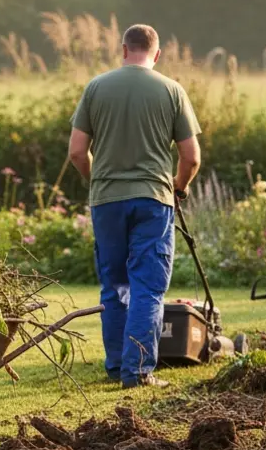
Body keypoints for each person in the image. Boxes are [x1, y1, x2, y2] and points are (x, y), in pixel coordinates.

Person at [68, 24, 201, 389]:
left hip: (107, 201)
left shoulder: (96, 88)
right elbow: (191, 157)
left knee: (115, 285)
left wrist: (97, 180)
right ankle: (138, 370)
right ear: (157, 54)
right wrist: (179, 187)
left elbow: (77, 152)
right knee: (148, 286)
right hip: (152, 200)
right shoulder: (172, 90)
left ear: (124, 49)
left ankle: (116, 366)